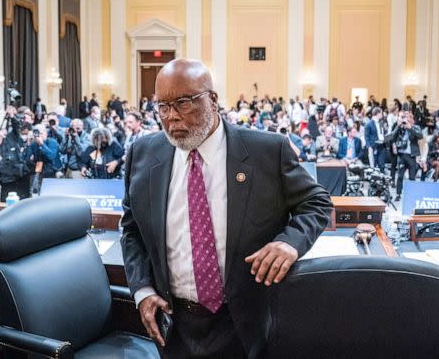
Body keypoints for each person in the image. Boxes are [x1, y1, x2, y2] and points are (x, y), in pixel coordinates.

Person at [120, 58, 332, 358]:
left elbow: (317, 202)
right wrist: (142, 290)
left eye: (183, 103)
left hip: (248, 322)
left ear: (213, 100)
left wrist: (289, 243)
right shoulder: (142, 154)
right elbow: (131, 230)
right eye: (163, 107)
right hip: (174, 325)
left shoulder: (266, 151)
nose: (172, 117)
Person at [390, 111, 423, 201]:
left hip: (412, 155)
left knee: (412, 177)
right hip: (402, 155)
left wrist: (410, 128)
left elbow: (420, 136)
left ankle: (411, 194)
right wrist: (398, 125)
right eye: (404, 117)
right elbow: (392, 136)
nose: (406, 119)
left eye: (408, 117)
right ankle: (398, 194)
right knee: (400, 176)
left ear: (411, 118)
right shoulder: (400, 127)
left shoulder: (416, 127)